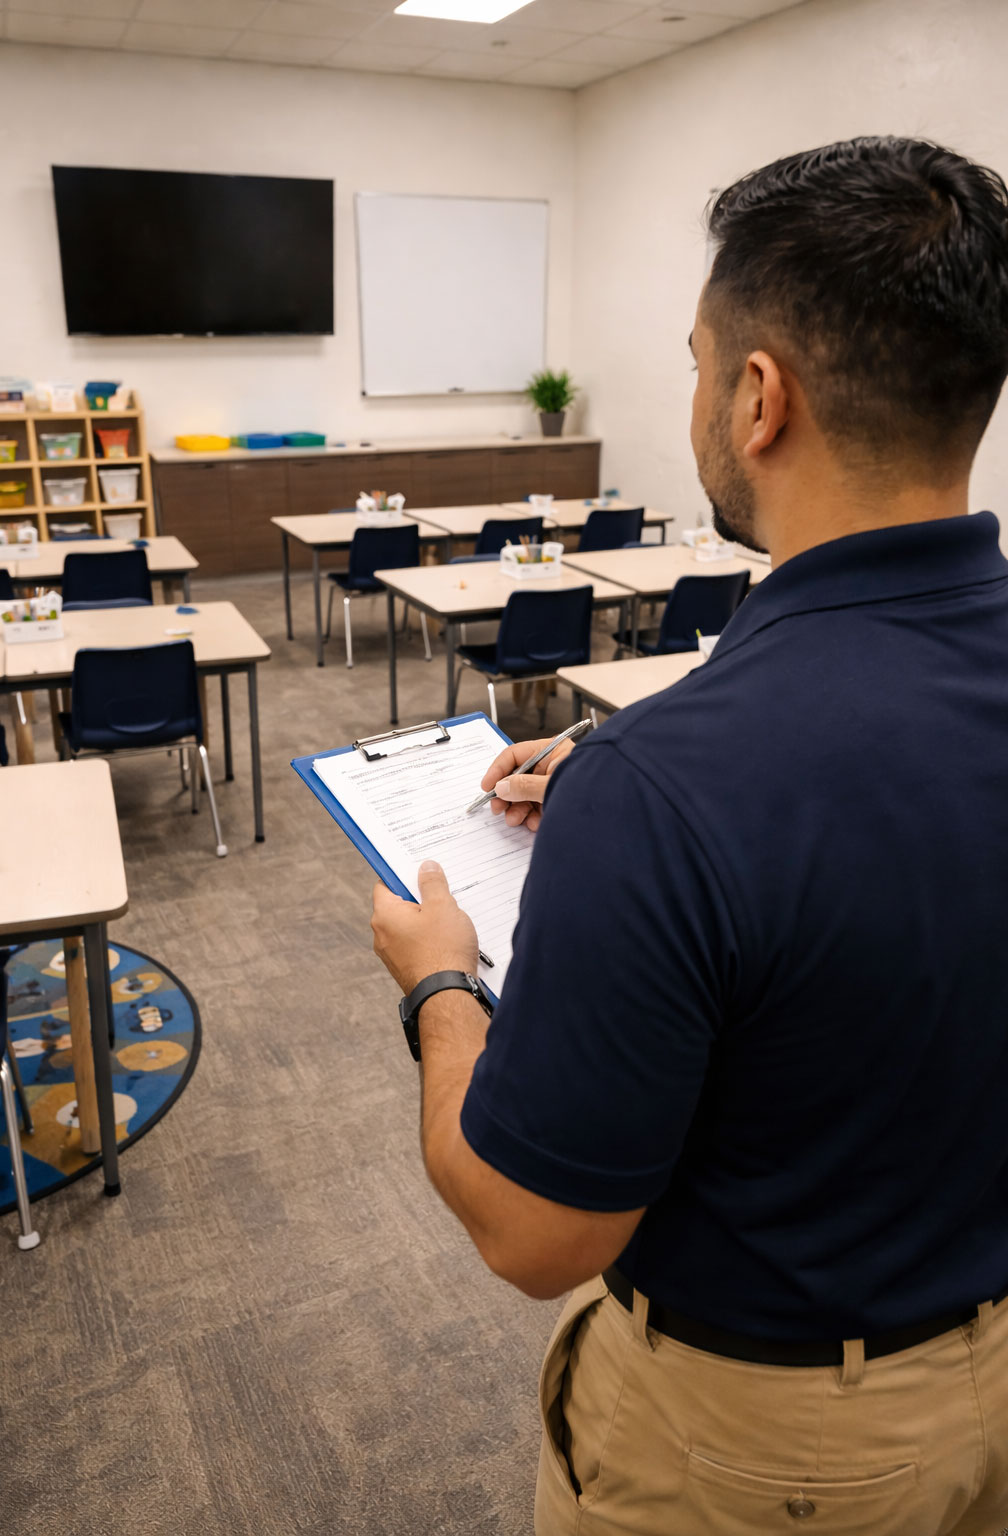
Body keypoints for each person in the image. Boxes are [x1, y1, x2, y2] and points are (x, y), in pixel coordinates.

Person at [370, 137, 1008, 1535]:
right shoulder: (661, 767)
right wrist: (612, 757)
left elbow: (535, 1235)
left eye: (701, 359)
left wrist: (437, 983)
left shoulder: (669, 789)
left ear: (759, 397)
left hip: (765, 1451)